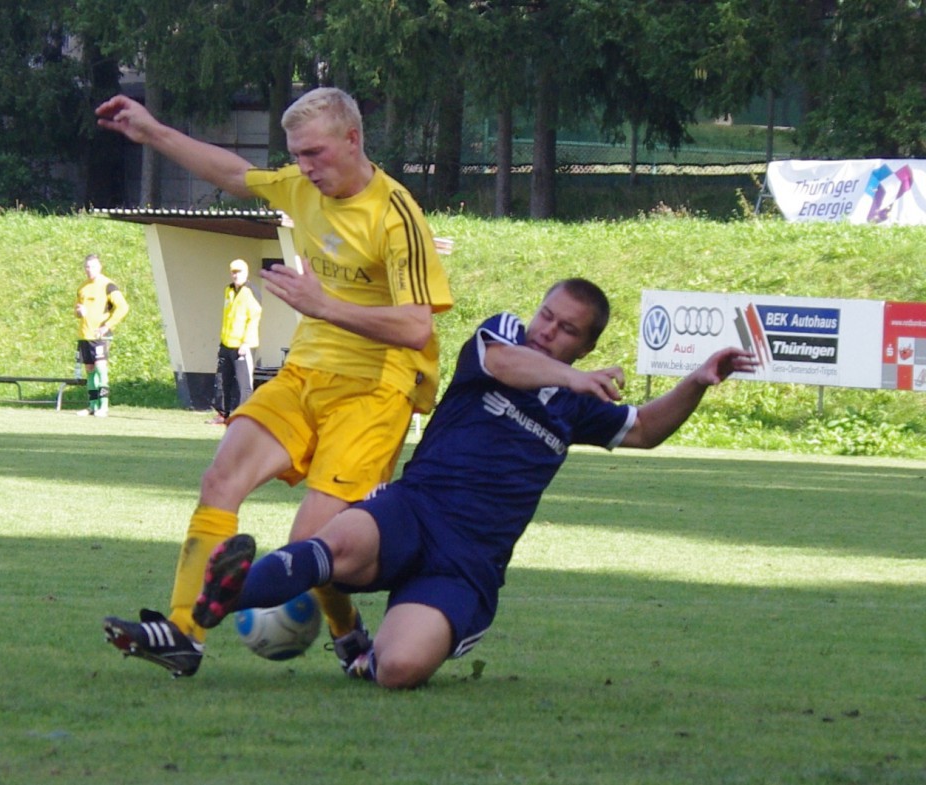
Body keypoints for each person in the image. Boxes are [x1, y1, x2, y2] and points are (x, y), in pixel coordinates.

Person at [191, 278, 759, 688]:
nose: (548, 331)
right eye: (548, 315)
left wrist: (698, 380)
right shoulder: (503, 337)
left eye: (567, 332)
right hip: (415, 509)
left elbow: (645, 430)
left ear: (586, 346)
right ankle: (218, 600)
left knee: (400, 671)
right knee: (335, 544)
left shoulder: (577, 405)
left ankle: (366, 655)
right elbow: (509, 365)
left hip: (469, 558)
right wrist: (572, 377)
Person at [97, 86, 454, 676]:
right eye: (297, 154)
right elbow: (237, 174)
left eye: (314, 153)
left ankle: (347, 634)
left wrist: (323, 303)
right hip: (304, 372)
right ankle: (183, 634)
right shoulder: (301, 187)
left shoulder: (396, 215)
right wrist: (154, 131)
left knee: (309, 544)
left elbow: (417, 326)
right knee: (222, 477)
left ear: (353, 139)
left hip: (374, 389)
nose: (305, 167)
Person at [208, 258, 262, 424]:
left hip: (242, 346)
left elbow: (254, 318)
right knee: (222, 380)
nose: (235, 275)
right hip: (226, 343)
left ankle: (244, 416)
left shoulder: (251, 291)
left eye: (239, 272)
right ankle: (222, 413)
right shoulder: (228, 290)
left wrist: (246, 343)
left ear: (246, 272)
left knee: (243, 382)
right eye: (233, 272)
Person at [75, 253, 130, 417]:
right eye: (86, 267)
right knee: (90, 369)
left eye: (92, 267)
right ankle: (92, 405)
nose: (89, 270)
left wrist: (107, 326)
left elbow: (123, 307)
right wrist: (79, 312)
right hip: (85, 335)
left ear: (99, 267)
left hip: (100, 334)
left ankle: (104, 406)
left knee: (101, 368)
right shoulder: (82, 287)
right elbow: (77, 312)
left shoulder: (108, 285)